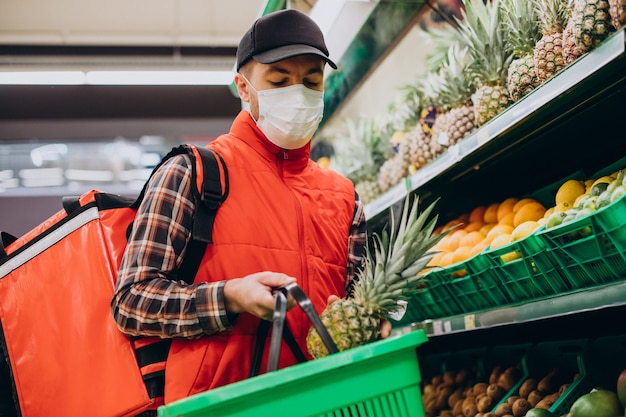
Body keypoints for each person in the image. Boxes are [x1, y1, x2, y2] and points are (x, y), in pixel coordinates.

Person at [111, 8, 388, 415]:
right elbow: (131, 302)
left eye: (311, 81)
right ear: (244, 87)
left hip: (328, 403)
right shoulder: (193, 173)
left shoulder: (344, 196)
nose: (298, 93)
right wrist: (227, 297)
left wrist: (371, 323)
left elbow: (359, 302)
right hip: (221, 406)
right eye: (279, 81)